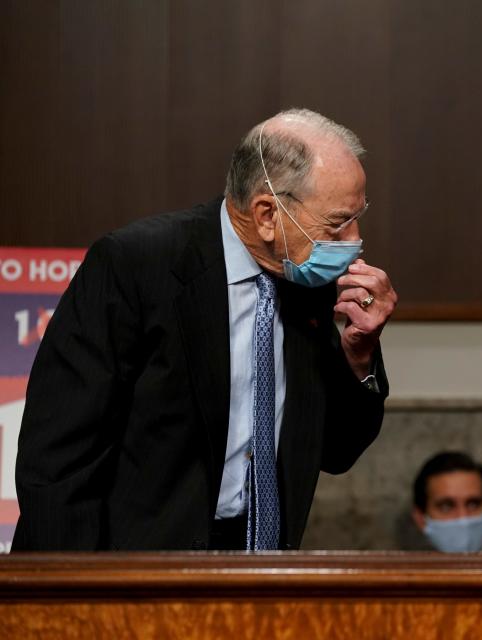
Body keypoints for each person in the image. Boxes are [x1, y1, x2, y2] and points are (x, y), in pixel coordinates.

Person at [13, 108, 396, 551]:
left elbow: (337, 451)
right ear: (268, 214)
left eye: (356, 217)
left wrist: (359, 353)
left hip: (258, 564)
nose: (353, 240)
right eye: (337, 223)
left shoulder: (310, 283)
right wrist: (76, 599)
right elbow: (60, 456)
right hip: (131, 566)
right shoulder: (136, 266)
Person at [412, 451, 482, 552]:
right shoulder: (402, 568)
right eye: (446, 507)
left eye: (473, 505)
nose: (463, 517)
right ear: (420, 519)